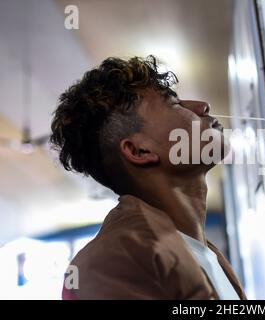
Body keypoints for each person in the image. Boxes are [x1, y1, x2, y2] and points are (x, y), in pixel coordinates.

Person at [51, 56, 244, 299]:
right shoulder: (111, 264)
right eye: (174, 103)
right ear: (139, 151)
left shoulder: (204, 254)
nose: (201, 106)